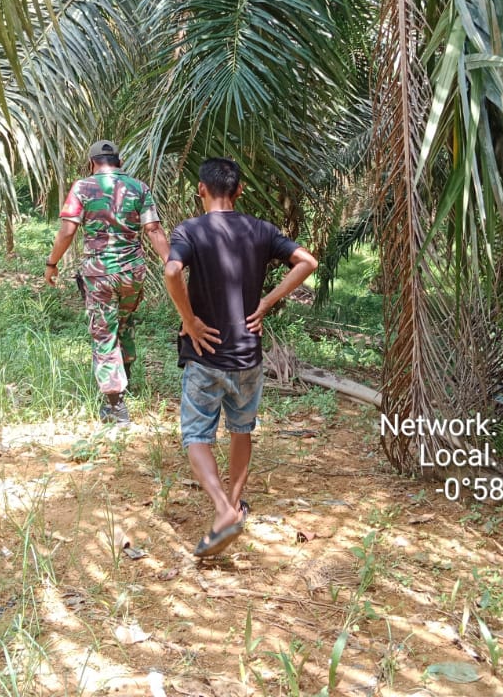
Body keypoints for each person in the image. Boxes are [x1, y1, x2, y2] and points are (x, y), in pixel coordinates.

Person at [163, 157, 318, 557]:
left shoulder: (190, 230)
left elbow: (172, 271)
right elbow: (307, 262)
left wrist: (190, 320)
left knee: (196, 436)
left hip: (205, 353)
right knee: (241, 430)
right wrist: (266, 303)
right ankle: (233, 504)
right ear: (240, 190)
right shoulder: (261, 230)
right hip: (248, 354)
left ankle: (222, 510)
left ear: (201, 189)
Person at [45, 140, 170, 425]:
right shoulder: (139, 187)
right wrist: (170, 263)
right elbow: (153, 228)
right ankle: (127, 381)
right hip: (132, 273)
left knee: (104, 334)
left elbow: (67, 230)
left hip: (99, 274)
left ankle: (115, 406)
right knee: (123, 324)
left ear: (92, 163)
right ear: (119, 161)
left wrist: (52, 263)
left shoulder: (82, 188)